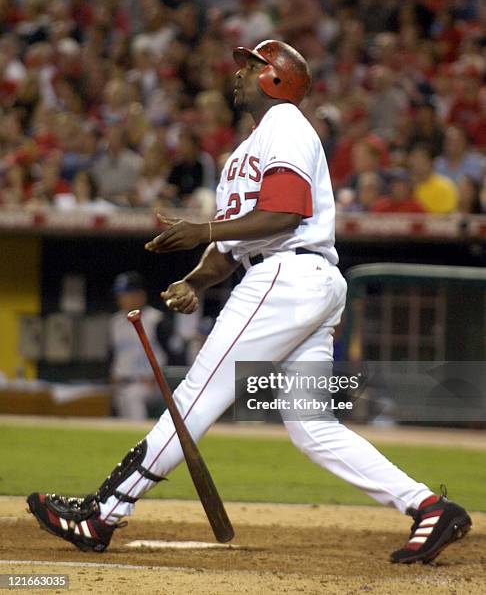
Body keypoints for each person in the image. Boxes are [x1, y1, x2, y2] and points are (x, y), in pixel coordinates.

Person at [27, 40, 471, 563]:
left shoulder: (286, 124)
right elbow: (234, 246)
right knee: (312, 426)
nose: (239, 73)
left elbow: (283, 214)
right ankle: (429, 506)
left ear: (275, 78)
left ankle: (103, 514)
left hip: (288, 276)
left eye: (251, 65)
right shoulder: (246, 151)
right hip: (300, 279)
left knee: (194, 396)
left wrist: (202, 229)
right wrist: (196, 280)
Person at [109, 271, 167, 420]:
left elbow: (173, 355)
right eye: (120, 295)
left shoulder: (156, 320)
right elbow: (112, 355)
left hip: (150, 385)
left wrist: (158, 378)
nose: (122, 299)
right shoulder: (115, 322)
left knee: (133, 396)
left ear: (140, 295)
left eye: (126, 294)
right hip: (122, 383)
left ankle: (141, 438)